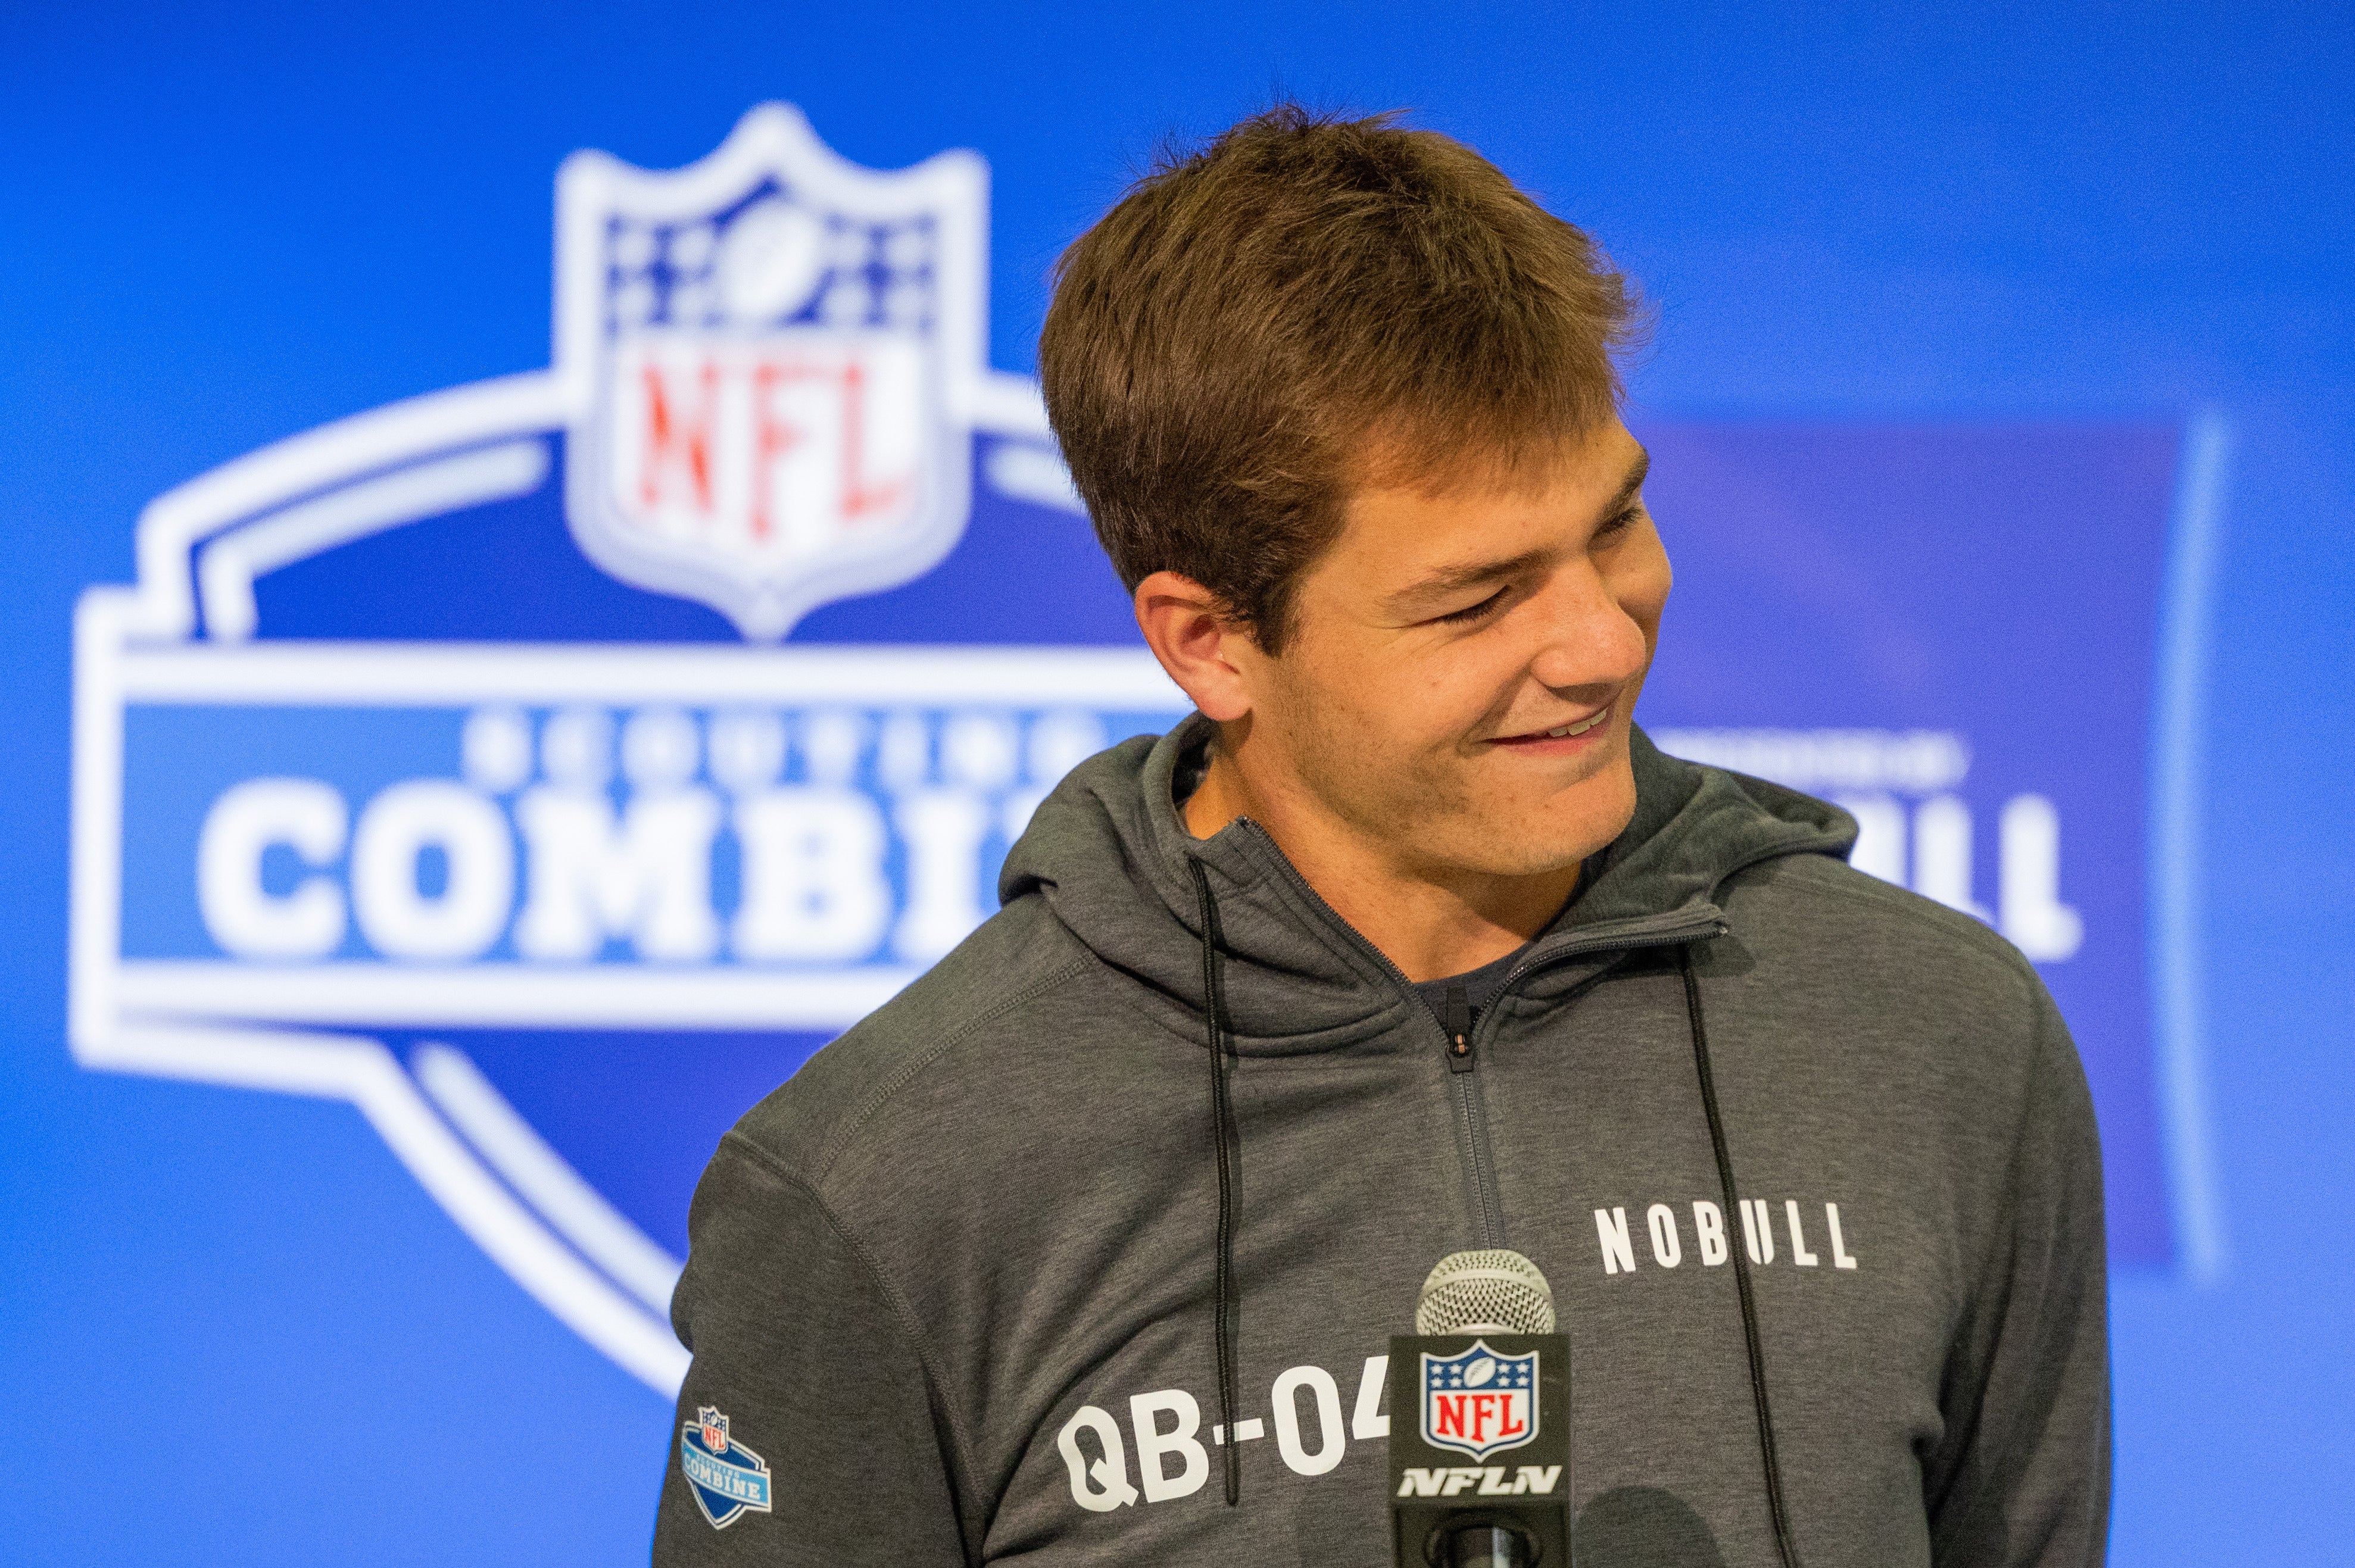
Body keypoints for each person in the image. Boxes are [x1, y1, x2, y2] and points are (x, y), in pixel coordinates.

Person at [653, 105, 2108, 1566]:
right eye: (1476, 601)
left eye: (1612, 527)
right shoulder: (877, 1190)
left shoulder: (1938, 1037)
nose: (1600, 643)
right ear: (1210, 642)